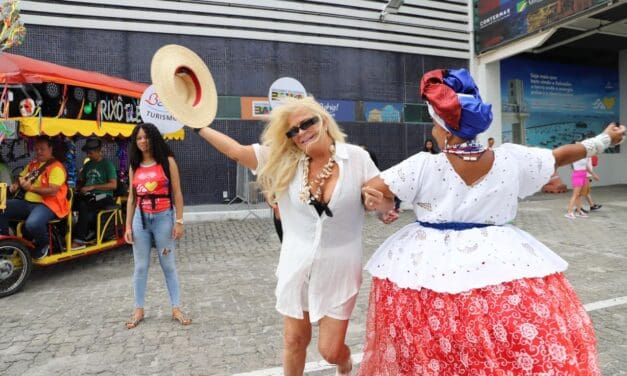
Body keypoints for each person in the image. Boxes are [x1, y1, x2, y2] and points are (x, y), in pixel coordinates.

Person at [359, 68, 625, 375]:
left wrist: (385, 206)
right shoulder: (510, 158)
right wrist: (605, 139)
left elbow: (373, 190)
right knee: (502, 340)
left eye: (434, 124)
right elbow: (560, 156)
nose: (432, 130)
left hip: (428, 267)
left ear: (445, 130)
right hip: (501, 261)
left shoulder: (422, 165)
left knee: (436, 343)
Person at [194, 97, 394, 375]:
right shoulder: (284, 161)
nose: (301, 132)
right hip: (297, 263)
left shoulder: (356, 158)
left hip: (340, 268)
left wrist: (382, 206)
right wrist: (197, 126)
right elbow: (237, 152)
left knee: (330, 350)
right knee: (294, 340)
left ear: (323, 120)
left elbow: (386, 202)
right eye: (293, 130)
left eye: (307, 123)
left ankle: (345, 361)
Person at [124, 123, 190, 329]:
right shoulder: (134, 165)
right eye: (139, 138)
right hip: (140, 221)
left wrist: (179, 221)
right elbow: (131, 198)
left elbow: (177, 193)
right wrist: (127, 226)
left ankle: (176, 307)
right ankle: (138, 309)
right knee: (141, 266)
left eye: (146, 137)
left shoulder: (167, 162)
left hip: (163, 218)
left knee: (168, 265)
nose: (143, 141)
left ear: (154, 138)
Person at [0, 136, 69, 259]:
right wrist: (16, 184)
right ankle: (7, 246)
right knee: (2, 205)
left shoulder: (56, 167)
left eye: (42, 149)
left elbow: (52, 191)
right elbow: (20, 176)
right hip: (28, 203)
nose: (39, 152)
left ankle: (43, 245)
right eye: (36, 149)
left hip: (49, 205)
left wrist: (31, 188)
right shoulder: (33, 164)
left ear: (51, 149)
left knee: (32, 224)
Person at [73, 137, 117, 243]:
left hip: (104, 195)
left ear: (98, 151)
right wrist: (77, 188)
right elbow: (83, 182)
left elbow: (113, 185)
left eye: (90, 153)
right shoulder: (87, 165)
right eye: (87, 153)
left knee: (87, 203)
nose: (88, 155)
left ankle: (79, 239)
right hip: (88, 194)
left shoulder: (107, 165)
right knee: (69, 203)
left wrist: (93, 187)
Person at [565, 153, 598, 219]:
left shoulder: (585, 156)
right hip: (577, 176)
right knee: (575, 195)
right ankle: (569, 212)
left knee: (579, 195)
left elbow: (586, 167)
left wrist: (594, 175)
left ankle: (579, 211)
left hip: (584, 175)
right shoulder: (574, 156)